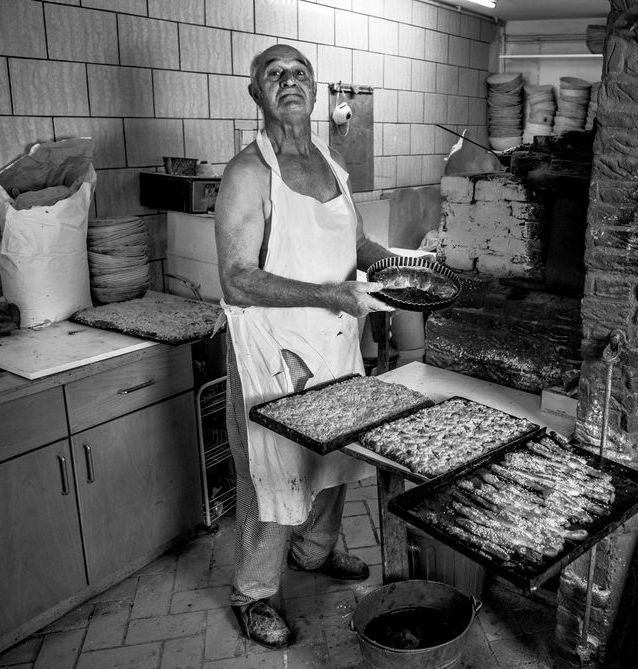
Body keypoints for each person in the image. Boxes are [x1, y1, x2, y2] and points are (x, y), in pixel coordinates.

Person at [214, 43, 397, 649]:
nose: (289, 81)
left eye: (300, 72)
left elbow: (359, 248)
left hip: (338, 341)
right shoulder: (248, 173)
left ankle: (314, 552)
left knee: (334, 459)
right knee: (275, 474)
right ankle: (253, 594)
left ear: (316, 90)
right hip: (274, 350)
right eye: (274, 74)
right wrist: (332, 297)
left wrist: (405, 268)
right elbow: (237, 277)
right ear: (256, 94)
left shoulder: (332, 166)